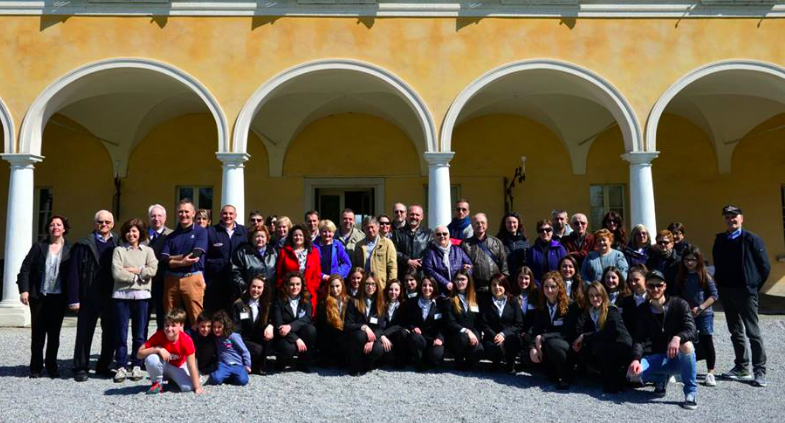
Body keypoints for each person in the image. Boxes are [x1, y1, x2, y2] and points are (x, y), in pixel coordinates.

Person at [713, 205, 770, 387]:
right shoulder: (721, 240)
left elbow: (765, 267)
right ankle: (741, 366)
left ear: (742, 218)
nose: (731, 220)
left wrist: (753, 286)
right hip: (727, 291)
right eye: (728, 217)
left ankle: (759, 371)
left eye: (734, 216)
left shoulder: (752, 239)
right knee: (735, 331)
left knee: (753, 333)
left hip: (746, 292)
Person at [627, 270, 698, 410]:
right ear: (646, 287)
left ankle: (690, 392)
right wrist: (635, 359)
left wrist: (677, 337)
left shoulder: (679, 304)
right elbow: (639, 339)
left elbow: (692, 330)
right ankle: (661, 379)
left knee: (687, 345)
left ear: (665, 286)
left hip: (678, 358)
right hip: (658, 357)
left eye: (659, 285)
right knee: (632, 375)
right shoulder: (643, 309)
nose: (655, 289)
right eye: (651, 286)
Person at [17, 214, 72, 378]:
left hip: (59, 298)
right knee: (38, 334)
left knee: (54, 335)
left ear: (64, 228)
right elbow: (25, 268)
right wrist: (24, 290)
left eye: (59, 224)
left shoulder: (71, 248)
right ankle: (35, 367)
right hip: (39, 296)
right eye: (52, 225)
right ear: (48, 228)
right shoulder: (39, 246)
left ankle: (52, 365)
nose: (55, 227)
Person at [67, 209, 118, 382]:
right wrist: (74, 299)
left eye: (107, 222)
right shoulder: (83, 244)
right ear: (95, 223)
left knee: (110, 332)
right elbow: (73, 273)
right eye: (100, 222)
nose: (103, 225)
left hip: (111, 295)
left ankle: (104, 365)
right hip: (88, 295)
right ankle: (80, 367)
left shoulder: (119, 242)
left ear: (112, 224)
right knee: (84, 332)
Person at [111, 218, 159, 383]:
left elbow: (153, 269)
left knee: (139, 334)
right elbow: (117, 273)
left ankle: (137, 363)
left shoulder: (147, 251)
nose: (131, 234)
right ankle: (122, 365)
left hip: (142, 297)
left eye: (135, 231)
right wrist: (138, 275)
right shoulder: (119, 250)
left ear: (140, 233)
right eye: (128, 231)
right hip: (121, 296)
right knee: (121, 333)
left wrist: (133, 270)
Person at [572, 282, 632, 393]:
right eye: (591, 296)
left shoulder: (611, 310)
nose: (595, 298)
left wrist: (585, 336)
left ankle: (615, 379)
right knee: (586, 347)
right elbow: (579, 329)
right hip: (607, 347)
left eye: (598, 295)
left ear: (603, 295)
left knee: (597, 343)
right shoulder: (590, 311)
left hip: (621, 347)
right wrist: (580, 338)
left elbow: (609, 333)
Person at [160, 199, 209, 329]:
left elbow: (195, 255)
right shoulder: (171, 236)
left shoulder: (201, 232)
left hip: (191, 278)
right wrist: (182, 260)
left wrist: (173, 261)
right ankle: (174, 348)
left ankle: (197, 348)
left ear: (193, 213)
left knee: (196, 318)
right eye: (180, 212)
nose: (183, 214)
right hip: (171, 280)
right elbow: (164, 259)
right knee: (171, 319)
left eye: (186, 211)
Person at [674, 246, 719, 387]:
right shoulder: (681, 276)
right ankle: (684, 370)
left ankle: (710, 373)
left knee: (707, 340)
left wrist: (700, 308)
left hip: (704, 314)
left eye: (692, 260)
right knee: (686, 341)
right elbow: (677, 294)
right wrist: (684, 308)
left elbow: (714, 295)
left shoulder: (704, 275)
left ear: (698, 260)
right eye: (686, 260)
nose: (689, 263)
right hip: (687, 314)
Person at [526, 271, 577, 390]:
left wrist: (543, 337)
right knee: (528, 354)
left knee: (552, 344)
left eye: (553, 287)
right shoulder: (542, 305)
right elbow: (536, 328)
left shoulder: (570, 305)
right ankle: (553, 372)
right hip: (547, 343)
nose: (549, 290)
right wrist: (533, 346)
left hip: (565, 343)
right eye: (546, 287)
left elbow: (567, 332)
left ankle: (566, 375)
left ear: (559, 287)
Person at [137, 308, 204, 394]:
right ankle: (157, 383)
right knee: (151, 358)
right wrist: (158, 349)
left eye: (173, 325)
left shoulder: (186, 340)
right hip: (163, 365)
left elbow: (191, 365)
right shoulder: (159, 335)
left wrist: (197, 387)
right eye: (167, 325)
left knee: (188, 387)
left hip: (177, 367)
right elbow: (139, 354)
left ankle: (173, 380)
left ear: (181, 325)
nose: (169, 328)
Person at [205, 204, 248, 312]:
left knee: (236, 309)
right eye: (225, 213)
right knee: (216, 310)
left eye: (230, 213)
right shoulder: (211, 231)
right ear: (220, 215)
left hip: (237, 279)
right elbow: (205, 255)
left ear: (235, 215)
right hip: (216, 280)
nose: (227, 216)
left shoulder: (244, 232)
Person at [271, 272, 316, 372]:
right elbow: (278, 324)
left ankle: (302, 363)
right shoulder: (279, 300)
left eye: (298, 284)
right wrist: (296, 339)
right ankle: (280, 362)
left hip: (296, 330)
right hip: (283, 334)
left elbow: (308, 317)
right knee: (289, 350)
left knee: (311, 330)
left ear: (302, 285)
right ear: (286, 285)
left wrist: (291, 326)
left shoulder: (306, 297)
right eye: (291, 284)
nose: (295, 287)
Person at [478, 274, 524, 374]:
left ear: (505, 286)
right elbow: (484, 323)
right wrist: (495, 336)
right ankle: (496, 362)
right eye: (494, 285)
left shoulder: (513, 301)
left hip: (510, 336)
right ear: (490, 287)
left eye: (500, 285)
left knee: (512, 342)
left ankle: (510, 364)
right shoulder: (486, 302)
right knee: (492, 349)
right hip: (492, 336)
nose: (497, 287)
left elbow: (519, 324)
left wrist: (503, 334)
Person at [344, 272, 387, 376]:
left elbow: (380, 327)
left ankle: (368, 365)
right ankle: (354, 366)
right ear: (363, 285)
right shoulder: (354, 301)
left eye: (373, 284)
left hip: (372, 336)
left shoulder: (380, 303)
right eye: (367, 284)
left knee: (377, 348)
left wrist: (372, 340)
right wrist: (363, 327)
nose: (370, 287)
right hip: (355, 338)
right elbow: (348, 324)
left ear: (377, 286)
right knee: (360, 335)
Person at [231, 275, 274, 375]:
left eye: (259, 287)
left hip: (257, 336)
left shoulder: (267, 304)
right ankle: (247, 365)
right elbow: (235, 328)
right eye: (253, 286)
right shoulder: (239, 304)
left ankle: (261, 366)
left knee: (269, 337)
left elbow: (275, 319)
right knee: (257, 349)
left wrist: (271, 326)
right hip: (242, 338)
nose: (256, 290)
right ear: (249, 287)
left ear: (264, 289)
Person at [275, 224, 322, 314]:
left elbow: (317, 273)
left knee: (307, 320)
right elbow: (279, 273)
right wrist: (283, 289)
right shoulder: (284, 252)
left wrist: (311, 288)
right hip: (289, 292)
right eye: (295, 235)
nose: (298, 237)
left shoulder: (313, 252)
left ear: (305, 236)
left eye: (300, 235)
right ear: (291, 237)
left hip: (308, 292)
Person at [443, 269, 484, 371]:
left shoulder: (476, 298)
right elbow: (450, 322)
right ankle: (459, 362)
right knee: (463, 338)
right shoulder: (450, 300)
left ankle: (469, 362)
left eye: (463, 279)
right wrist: (467, 331)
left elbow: (480, 321)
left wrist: (476, 335)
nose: (460, 282)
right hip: (456, 336)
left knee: (478, 350)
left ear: (468, 280)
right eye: (457, 279)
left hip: (473, 333)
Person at [405, 277, 445, 372]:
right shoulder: (412, 302)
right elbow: (407, 320)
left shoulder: (441, 303)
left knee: (436, 355)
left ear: (434, 287)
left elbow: (445, 324)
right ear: (420, 287)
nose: (427, 288)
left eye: (430, 285)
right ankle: (419, 360)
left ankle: (430, 358)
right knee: (414, 338)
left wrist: (440, 338)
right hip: (419, 338)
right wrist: (413, 327)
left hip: (434, 338)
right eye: (424, 285)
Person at [462, 213, 508, 295]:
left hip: (494, 289)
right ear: (472, 226)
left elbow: (504, 268)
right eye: (477, 223)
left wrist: (501, 285)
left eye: (482, 222)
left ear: (486, 224)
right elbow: (461, 268)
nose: (480, 225)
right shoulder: (465, 244)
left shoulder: (496, 242)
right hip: (475, 290)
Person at [231, 226, 278, 299]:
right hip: (250, 294)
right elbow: (235, 273)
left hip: (269, 295)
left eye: (262, 236)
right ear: (252, 238)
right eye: (257, 236)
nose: (260, 239)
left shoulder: (273, 253)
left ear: (267, 238)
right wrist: (246, 287)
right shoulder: (242, 253)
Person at [146, 204, 173, 331]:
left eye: (159, 216)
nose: (156, 219)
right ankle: (140, 348)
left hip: (165, 282)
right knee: (142, 318)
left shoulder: (172, 235)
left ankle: (162, 347)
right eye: (153, 216)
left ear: (165, 217)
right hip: (145, 282)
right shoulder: (140, 235)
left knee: (164, 318)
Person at [422, 225, 472, 293]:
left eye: (444, 234)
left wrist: (464, 275)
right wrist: (446, 283)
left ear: (449, 235)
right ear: (434, 236)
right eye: (438, 234)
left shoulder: (458, 250)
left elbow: (470, 266)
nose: (442, 236)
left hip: (457, 290)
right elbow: (428, 270)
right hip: (440, 291)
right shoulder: (430, 252)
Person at [207, 310, 251, 386]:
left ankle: (231, 376)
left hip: (237, 364)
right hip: (224, 364)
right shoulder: (216, 337)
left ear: (225, 326)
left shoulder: (233, 336)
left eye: (219, 327)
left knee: (243, 381)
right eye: (214, 327)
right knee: (215, 379)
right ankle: (226, 375)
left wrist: (247, 365)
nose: (216, 330)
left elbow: (244, 351)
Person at [354, 216, 398, 287]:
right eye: (367, 228)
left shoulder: (387, 244)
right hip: (363, 285)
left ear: (378, 227)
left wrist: (391, 285)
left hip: (381, 285)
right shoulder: (359, 245)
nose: (370, 230)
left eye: (372, 227)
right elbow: (355, 266)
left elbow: (392, 266)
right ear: (364, 229)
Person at [392, 204, 433, 279]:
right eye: (412, 214)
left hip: (422, 275)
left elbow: (432, 251)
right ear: (407, 216)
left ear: (422, 217)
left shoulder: (429, 234)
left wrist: (421, 261)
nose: (414, 217)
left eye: (417, 215)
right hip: (403, 276)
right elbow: (393, 251)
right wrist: (407, 260)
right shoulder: (396, 233)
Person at [316, 275, 349, 367]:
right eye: (332, 286)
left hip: (345, 335)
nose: (335, 289)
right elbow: (322, 324)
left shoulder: (349, 301)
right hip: (330, 335)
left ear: (342, 286)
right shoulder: (324, 302)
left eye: (337, 286)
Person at [525, 219, 567, 283]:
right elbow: (530, 272)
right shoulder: (532, 251)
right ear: (538, 232)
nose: (544, 232)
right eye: (541, 230)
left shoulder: (559, 248)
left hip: (557, 285)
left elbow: (565, 269)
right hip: (538, 287)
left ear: (552, 231)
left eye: (548, 230)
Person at [496, 212, 530, 283]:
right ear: (504, 224)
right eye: (509, 222)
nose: (511, 225)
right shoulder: (498, 241)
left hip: (521, 280)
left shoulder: (524, 241)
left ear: (518, 224)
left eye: (514, 222)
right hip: (504, 279)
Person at [381, 279, 408, 368]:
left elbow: (401, 324)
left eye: (396, 290)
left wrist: (385, 333)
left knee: (402, 332)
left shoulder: (404, 304)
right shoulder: (381, 303)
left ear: (400, 291)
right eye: (391, 289)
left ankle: (400, 359)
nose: (393, 292)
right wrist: (382, 335)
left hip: (395, 335)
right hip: (382, 336)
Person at [619, 265, 648, 334]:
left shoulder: (654, 299)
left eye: (636, 280)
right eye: (630, 280)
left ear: (646, 279)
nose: (633, 283)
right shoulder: (627, 301)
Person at [513, 267, 539, 337]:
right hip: (515, 332)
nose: (523, 281)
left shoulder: (536, 294)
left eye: (526, 278)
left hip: (532, 332)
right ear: (517, 278)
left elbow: (538, 317)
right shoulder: (511, 294)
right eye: (521, 278)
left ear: (531, 280)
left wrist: (529, 332)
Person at [189, 312, 217, 376]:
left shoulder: (213, 334)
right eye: (203, 326)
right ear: (197, 325)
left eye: (209, 326)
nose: (206, 329)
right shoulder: (191, 334)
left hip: (206, 364)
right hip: (193, 362)